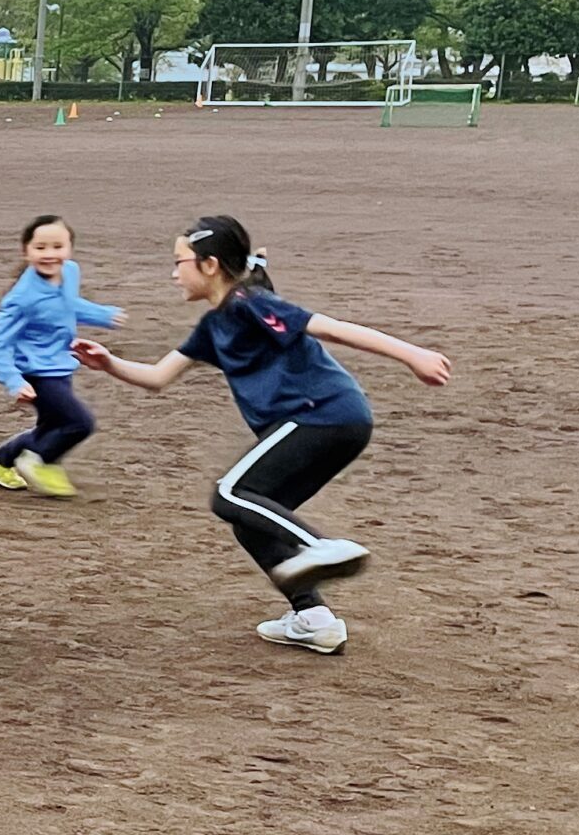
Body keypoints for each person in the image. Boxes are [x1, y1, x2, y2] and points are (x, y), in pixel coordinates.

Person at [72, 216, 450, 655]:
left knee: (229, 493)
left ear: (209, 265)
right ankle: (313, 618)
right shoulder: (214, 327)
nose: (174, 273)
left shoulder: (249, 302)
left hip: (321, 414)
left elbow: (329, 327)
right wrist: (109, 363)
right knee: (250, 515)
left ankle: (323, 547)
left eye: (180, 262)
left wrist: (412, 354)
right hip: (333, 423)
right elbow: (158, 377)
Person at [0, 214, 125, 497]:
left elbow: (68, 305)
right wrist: (12, 380)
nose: (50, 254)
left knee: (52, 425)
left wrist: (102, 315)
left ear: (69, 248)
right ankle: (39, 459)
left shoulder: (70, 272)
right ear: (26, 251)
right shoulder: (21, 299)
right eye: (41, 248)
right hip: (37, 373)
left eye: (57, 247)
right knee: (80, 423)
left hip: (60, 365)